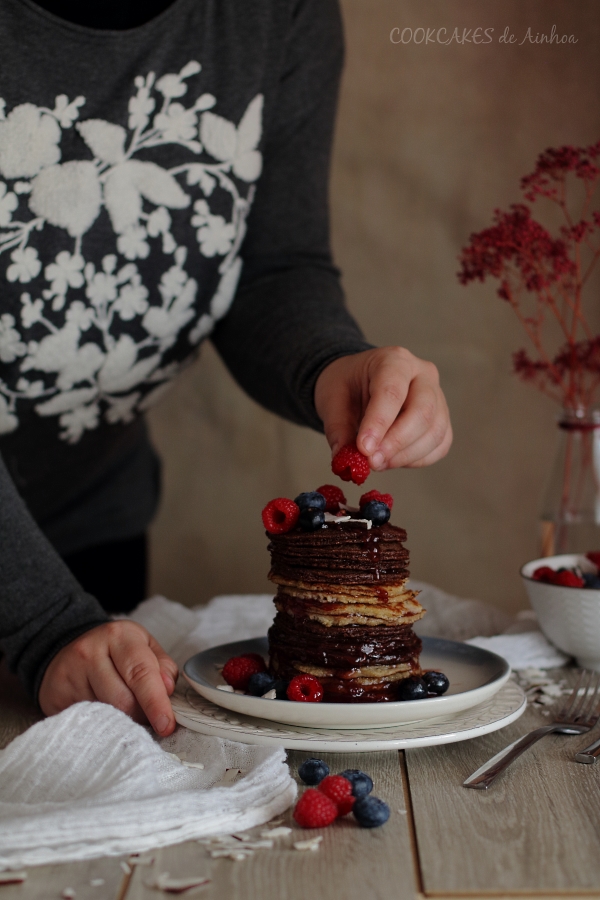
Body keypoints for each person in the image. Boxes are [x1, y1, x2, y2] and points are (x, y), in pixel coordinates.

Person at [0, 0, 452, 737]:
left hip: (87, 532)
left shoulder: (280, 13)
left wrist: (329, 363)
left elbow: (271, 266)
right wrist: (42, 621)